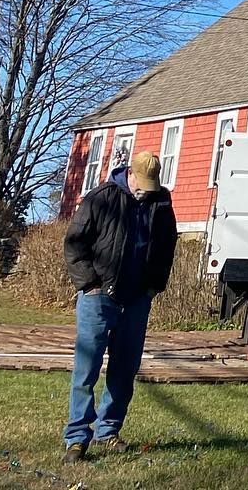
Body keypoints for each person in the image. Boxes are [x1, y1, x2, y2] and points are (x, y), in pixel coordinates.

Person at [61, 148, 178, 462]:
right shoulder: (101, 199)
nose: (146, 192)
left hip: (137, 299)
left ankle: (108, 431)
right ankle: (77, 438)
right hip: (98, 297)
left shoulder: (161, 203)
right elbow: (74, 244)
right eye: (142, 185)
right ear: (130, 174)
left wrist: (153, 286)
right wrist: (90, 284)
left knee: (125, 370)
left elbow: (167, 247)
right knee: (86, 370)